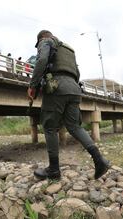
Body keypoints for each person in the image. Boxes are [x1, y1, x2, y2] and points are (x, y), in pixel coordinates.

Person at [27, 30, 110, 180]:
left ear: (41, 38)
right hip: (74, 88)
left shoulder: (45, 41)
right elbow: (77, 72)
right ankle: (100, 161)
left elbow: (41, 60)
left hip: (57, 87)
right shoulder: (68, 49)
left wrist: (33, 85)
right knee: (74, 126)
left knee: (49, 126)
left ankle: (53, 169)